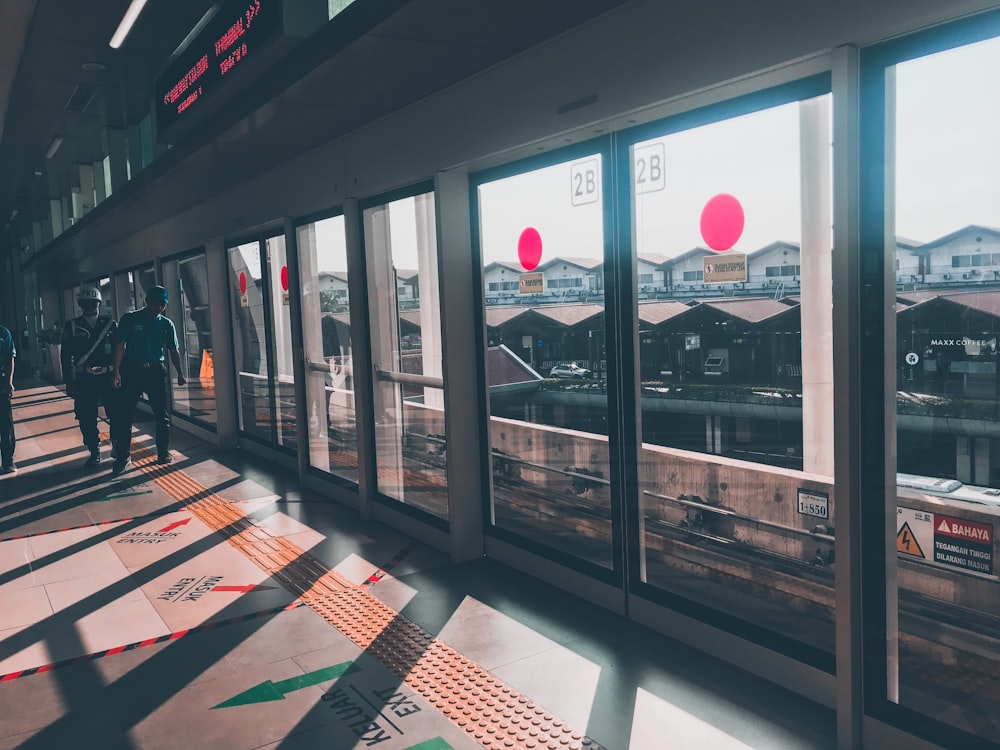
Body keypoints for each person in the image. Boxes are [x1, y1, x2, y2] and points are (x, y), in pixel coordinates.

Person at [110, 285, 186, 475]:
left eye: (161, 304)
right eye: (154, 303)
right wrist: (116, 371)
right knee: (125, 415)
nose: (157, 307)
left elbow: (173, 350)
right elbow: (120, 345)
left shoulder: (166, 324)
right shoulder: (130, 319)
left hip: (155, 371)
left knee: (162, 414)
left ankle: (163, 452)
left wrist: (181, 373)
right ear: (146, 302)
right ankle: (123, 456)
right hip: (132, 371)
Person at [61, 286, 117, 467]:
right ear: (80, 304)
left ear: (99, 303)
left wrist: (119, 374)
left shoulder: (110, 324)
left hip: (107, 376)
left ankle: (118, 445)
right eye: (85, 302)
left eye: (93, 302)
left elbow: (119, 352)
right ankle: (95, 451)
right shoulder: (71, 326)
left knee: (116, 413)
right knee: (86, 416)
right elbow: (65, 357)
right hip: (84, 379)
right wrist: (69, 382)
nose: (89, 305)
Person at [0, 324, 15, 475]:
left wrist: (8, 382)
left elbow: (10, 357)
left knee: (5, 424)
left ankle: (8, 461)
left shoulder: (4, 333)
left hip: (1, 385)